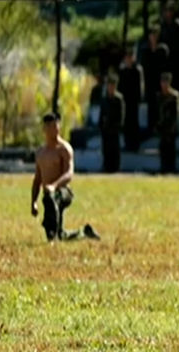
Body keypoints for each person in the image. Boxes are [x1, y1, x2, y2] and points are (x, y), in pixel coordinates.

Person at [31, 113, 100, 242]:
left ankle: (52, 237)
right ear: (44, 129)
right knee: (61, 234)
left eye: (56, 126)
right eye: (50, 127)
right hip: (48, 194)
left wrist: (54, 186)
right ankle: (84, 232)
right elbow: (37, 179)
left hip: (63, 192)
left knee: (51, 198)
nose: (54, 130)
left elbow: (69, 173)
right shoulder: (40, 152)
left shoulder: (64, 149)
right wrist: (33, 202)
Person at [118, 46, 144, 152]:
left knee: (134, 122)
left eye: (130, 57)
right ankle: (127, 143)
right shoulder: (123, 71)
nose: (129, 59)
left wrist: (139, 98)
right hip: (125, 101)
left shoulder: (137, 70)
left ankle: (135, 144)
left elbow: (140, 86)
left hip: (134, 100)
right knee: (127, 123)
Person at [99, 73, 125, 173]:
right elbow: (102, 114)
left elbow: (121, 114)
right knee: (106, 149)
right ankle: (106, 166)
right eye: (109, 85)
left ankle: (115, 167)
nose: (110, 87)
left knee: (114, 149)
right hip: (106, 128)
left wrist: (118, 126)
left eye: (112, 85)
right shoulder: (104, 99)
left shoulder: (119, 99)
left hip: (114, 128)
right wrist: (101, 125)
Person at [157, 72, 179, 173]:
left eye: (166, 82)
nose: (164, 84)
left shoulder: (174, 96)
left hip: (171, 127)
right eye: (163, 82)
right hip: (162, 126)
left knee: (171, 148)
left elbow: (177, 113)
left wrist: (173, 127)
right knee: (163, 148)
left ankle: (171, 168)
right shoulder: (159, 96)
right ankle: (163, 167)